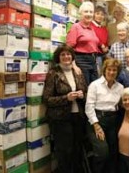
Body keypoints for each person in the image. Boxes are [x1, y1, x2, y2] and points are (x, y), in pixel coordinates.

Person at [43, 45, 87, 173]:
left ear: (72, 56)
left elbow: (85, 90)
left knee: (77, 149)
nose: (66, 57)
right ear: (58, 57)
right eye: (63, 55)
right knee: (65, 152)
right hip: (61, 119)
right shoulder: (53, 73)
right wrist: (66, 98)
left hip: (78, 116)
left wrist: (82, 94)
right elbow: (47, 99)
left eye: (68, 54)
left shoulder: (77, 72)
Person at [85, 58, 124, 173]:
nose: (111, 72)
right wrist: (96, 126)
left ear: (117, 72)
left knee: (113, 152)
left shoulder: (120, 87)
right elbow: (89, 107)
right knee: (102, 152)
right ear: (104, 70)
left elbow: (123, 104)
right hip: (97, 120)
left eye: (114, 70)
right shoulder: (95, 85)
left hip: (113, 121)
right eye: (109, 69)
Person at [66, 1, 101, 85]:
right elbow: (68, 49)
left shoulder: (91, 29)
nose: (89, 14)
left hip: (93, 61)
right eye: (86, 11)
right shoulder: (76, 27)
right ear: (81, 13)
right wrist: (74, 65)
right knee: (85, 89)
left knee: (94, 88)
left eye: (91, 12)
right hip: (81, 61)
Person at [91, 5, 109, 75]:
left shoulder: (104, 29)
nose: (100, 16)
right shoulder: (90, 26)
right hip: (95, 56)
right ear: (94, 15)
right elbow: (94, 38)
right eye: (97, 13)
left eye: (102, 14)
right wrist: (101, 45)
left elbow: (106, 41)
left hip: (103, 55)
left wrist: (106, 47)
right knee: (98, 76)